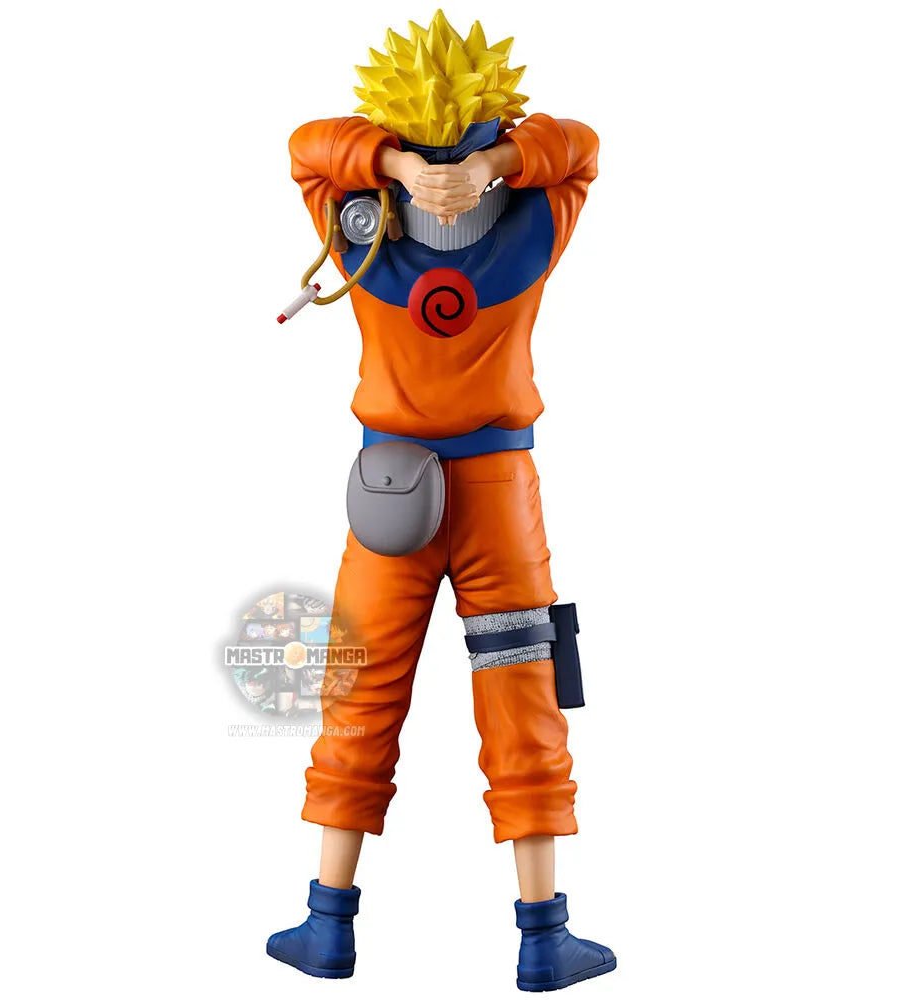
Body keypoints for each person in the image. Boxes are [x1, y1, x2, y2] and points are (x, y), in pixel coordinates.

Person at [267, 11, 615, 991]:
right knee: (522, 691)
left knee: (359, 688)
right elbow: (581, 149)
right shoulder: (537, 227)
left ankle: (326, 925)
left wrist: (390, 166)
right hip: (501, 493)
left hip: (389, 491)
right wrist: (499, 162)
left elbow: (306, 149)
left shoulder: (355, 236)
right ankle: (542, 936)